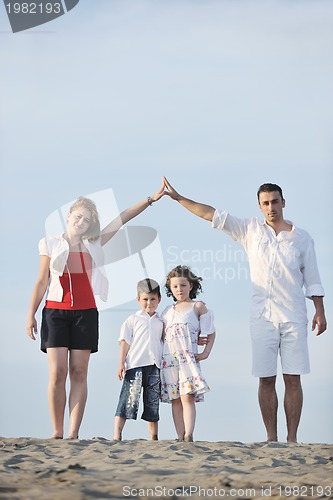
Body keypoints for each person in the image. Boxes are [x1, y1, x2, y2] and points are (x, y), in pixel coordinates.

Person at [162, 177, 327, 443]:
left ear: (283, 203)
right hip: (261, 316)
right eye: (265, 203)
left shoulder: (302, 238)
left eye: (275, 202)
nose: (271, 207)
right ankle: (271, 438)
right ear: (260, 206)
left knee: (293, 378)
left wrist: (320, 311)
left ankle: (292, 439)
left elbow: (313, 278)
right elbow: (210, 214)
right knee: (266, 378)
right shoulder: (250, 230)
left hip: (294, 315)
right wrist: (179, 198)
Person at [26, 186, 164, 440]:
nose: (81, 222)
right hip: (55, 312)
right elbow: (41, 281)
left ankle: (73, 432)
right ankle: (57, 431)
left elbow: (122, 218)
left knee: (79, 373)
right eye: (77, 216)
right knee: (58, 373)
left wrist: (150, 200)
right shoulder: (50, 243)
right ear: (68, 216)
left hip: (86, 314)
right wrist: (30, 315)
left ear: (90, 225)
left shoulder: (94, 243)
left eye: (86, 219)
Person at [161, 265, 216, 442]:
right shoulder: (167, 311)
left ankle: (188, 435)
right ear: (170, 288)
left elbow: (211, 331)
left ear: (191, 286)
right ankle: (179, 435)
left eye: (183, 285)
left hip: (187, 359)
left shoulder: (197, 306)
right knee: (175, 399)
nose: (179, 290)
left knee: (187, 397)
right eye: (175, 286)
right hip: (169, 361)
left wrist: (206, 352)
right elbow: (161, 336)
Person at [113, 278, 164, 441]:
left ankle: (153, 436)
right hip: (135, 365)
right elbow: (125, 343)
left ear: (159, 299)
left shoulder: (161, 321)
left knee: (152, 402)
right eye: (145, 299)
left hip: (155, 366)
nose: (149, 303)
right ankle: (117, 434)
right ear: (138, 300)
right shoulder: (133, 320)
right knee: (128, 400)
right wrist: (121, 363)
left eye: (153, 299)